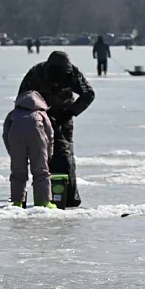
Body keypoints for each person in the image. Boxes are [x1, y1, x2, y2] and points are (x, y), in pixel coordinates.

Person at [19, 51, 95, 208]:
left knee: (65, 155)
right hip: (39, 118)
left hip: (63, 117)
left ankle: (68, 196)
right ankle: (44, 195)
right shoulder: (36, 73)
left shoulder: (72, 73)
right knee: (41, 155)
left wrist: (70, 112)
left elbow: (88, 94)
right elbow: (23, 98)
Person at [2, 90, 56, 208]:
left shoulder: (13, 114)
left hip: (16, 140)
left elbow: (6, 133)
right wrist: (49, 153)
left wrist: (11, 151)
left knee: (18, 171)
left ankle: (17, 201)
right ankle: (43, 202)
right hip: (38, 139)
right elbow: (50, 134)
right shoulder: (41, 114)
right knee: (41, 171)